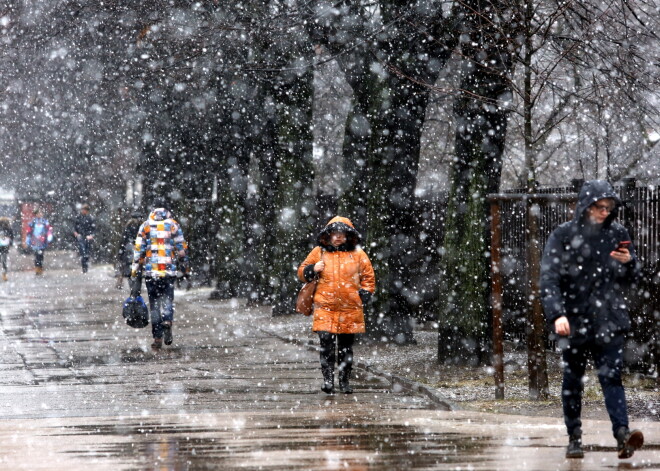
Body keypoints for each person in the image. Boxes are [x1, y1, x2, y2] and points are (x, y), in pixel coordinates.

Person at [540, 180, 644, 459]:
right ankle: (574, 437)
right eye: (600, 207)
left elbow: (634, 279)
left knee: (612, 378)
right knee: (572, 381)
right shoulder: (563, 235)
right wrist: (557, 313)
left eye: (609, 208)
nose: (605, 212)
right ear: (586, 206)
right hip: (574, 320)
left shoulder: (617, 233)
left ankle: (622, 434)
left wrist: (629, 263)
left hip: (609, 318)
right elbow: (549, 279)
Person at [297, 216, 375, 394]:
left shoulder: (358, 254)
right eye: (334, 233)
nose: (338, 237)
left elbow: (368, 277)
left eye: (342, 233)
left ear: (348, 235)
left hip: (350, 309)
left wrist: (365, 293)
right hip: (325, 308)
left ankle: (344, 381)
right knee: (326, 346)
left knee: (346, 348)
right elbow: (302, 272)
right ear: (328, 235)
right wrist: (312, 269)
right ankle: (328, 381)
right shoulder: (319, 252)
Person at [131, 200, 189, 349]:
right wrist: (184, 264)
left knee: (154, 304)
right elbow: (181, 247)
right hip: (168, 271)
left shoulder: (145, 226)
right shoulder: (173, 225)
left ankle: (157, 338)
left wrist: (135, 270)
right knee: (168, 299)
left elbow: (138, 250)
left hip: (152, 272)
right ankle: (168, 321)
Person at [116, 211, 142, 289]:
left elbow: (123, 240)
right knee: (134, 268)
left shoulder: (128, 226)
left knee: (129, 269)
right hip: (134, 250)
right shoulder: (140, 227)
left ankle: (132, 285)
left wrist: (121, 252)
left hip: (130, 251)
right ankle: (134, 285)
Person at [25, 208, 53, 276]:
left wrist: (49, 236)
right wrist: (28, 238)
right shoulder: (33, 222)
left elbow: (49, 229)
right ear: (36, 214)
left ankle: (40, 266)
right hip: (35, 240)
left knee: (41, 255)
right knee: (36, 255)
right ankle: (37, 268)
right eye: (39, 213)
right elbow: (29, 231)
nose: (40, 214)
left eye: (41, 213)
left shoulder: (45, 221)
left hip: (42, 240)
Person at [73, 203, 96, 273]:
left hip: (88, 237)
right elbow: (74, 227)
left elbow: (93, 228)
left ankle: (86, 266)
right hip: (81, 236)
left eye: (85, 210)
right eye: (83, 209)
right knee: (83, 252)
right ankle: (84, 268)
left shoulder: (90, 218)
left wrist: (92, 235)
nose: (83, 211)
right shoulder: (78, 217)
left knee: (87, 253)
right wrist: (76, 233)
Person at [0, 217, 14, 282]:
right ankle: (4, 273)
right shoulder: (9, 228)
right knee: (4, 260)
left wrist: (10, 243)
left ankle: (4, 273)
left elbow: (11, 237)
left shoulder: (9, 229)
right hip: (5, 246)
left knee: (4, 260)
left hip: (5, 246)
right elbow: (12, 237)